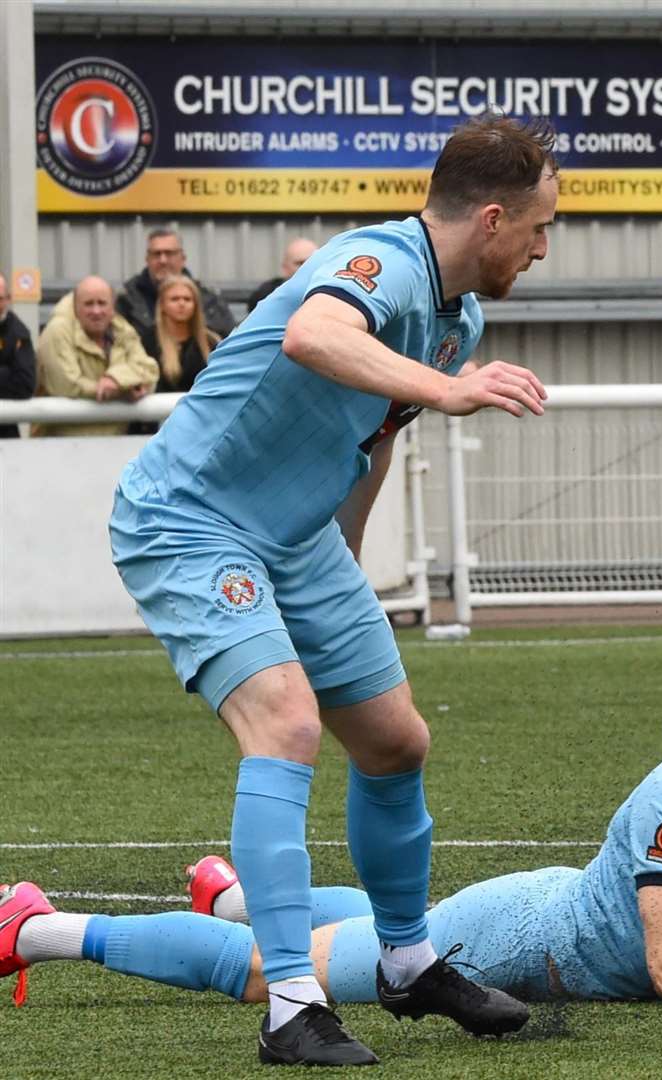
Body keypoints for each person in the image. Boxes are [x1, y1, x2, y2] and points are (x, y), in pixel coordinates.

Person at [105, 115, 559, 1067]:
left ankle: (405, 962)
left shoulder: (456, 318)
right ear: (490, 219)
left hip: (300, 541)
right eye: (539, 226)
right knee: (288, 726)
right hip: (190, 521)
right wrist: (452, 393)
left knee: (396, 742)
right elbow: (315, 335)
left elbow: (372, 435)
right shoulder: (378, 261)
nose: (543, 245)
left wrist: (344, 565)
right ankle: (290, 1007)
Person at [0, 629, 662, 1017]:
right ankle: (39, 928)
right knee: (268, 981)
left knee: (363, 923)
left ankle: (237, 897)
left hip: (547, 922)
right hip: (516, 939)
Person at [32, 276, 158, 437]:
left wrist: (116, 380)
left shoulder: (121, 328)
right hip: (61, 443)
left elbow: (149, 370)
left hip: (114, 442)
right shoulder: (57, 331)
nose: (96, 311)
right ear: (75, 307)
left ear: (112, 306)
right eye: (88, 304)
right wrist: (121, 390)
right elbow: (65, 385)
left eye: (102, 303)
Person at [116, 227, 236, 341]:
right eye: (156, 254)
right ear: (147, 259)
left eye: (169, 253)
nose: (163, 260)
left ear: (183, 258)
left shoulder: (209, 300)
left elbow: (229, 342)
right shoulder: (127, 300)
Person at [140, 276, 221, 394]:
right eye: (174, 299)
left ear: (195, 305)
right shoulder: (148, 342)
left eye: (187, 299)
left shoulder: (211, 342)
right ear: (162, 305)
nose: (182, 303)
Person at [0, 273, 37, 439]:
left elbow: (24, 384)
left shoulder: (18, 333)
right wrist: (6, 371)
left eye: (0, 298)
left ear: (8, 299)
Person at [249, 238, 320, 313]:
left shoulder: (331, 292)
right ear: (285, 268)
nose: (307, 267)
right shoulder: (267, 296)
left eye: (312, 262)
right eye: (300, 263)